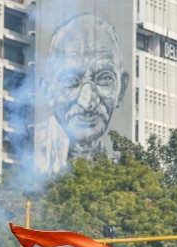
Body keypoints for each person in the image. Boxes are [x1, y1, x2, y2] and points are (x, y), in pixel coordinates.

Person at [35, 13, 129, 174]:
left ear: (121, 89)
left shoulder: (120, 162)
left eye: (104, 79)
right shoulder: (33, 147)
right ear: (48, 91)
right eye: (71, 81)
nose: (88, 102)